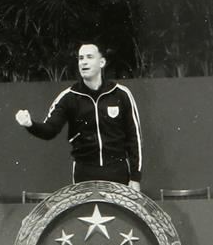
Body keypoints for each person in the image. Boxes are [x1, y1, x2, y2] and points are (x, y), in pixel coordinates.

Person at [16, 42, 144, 189]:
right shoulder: (69, 97)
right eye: (81, 58)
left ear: (102, 62)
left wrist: (135, 178)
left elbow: (135, 139)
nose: (84, 62)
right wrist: (30, 124)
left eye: (89, 57)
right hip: (84, 174)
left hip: (118, 172)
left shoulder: (121, 94)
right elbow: (49, 130)